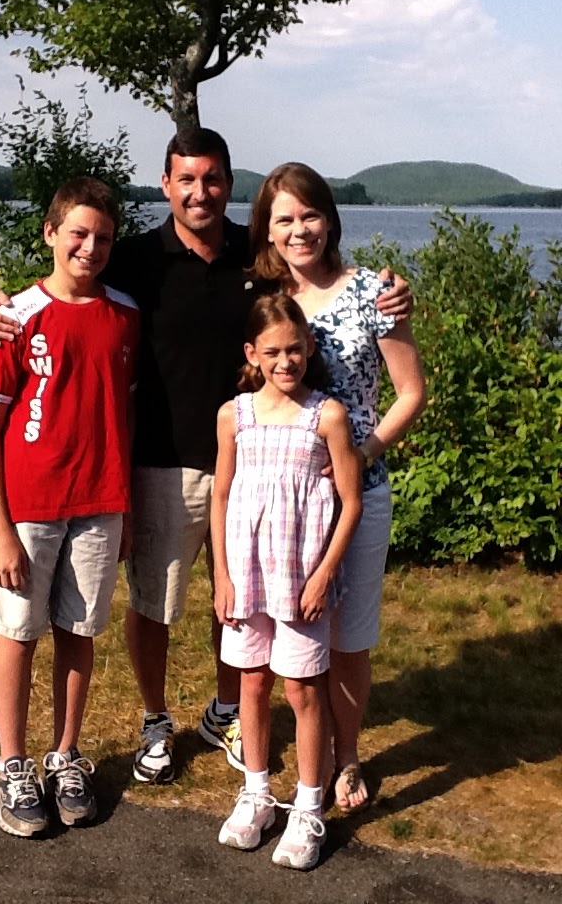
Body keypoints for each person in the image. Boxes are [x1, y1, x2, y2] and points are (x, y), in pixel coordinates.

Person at [0, 129, 412, 785]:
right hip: (163, 462)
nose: (199, 192)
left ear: (229, 185)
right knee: (155, 603)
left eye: (211, 179)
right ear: (166, 185)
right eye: (186, 179)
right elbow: (67, 288)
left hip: (258, 467)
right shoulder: (133, 258)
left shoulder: (257, 256)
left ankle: (227, 711)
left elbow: (318, 284)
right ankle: (155, 719)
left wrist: (391, 292)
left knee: (239, 599)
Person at [249, 163, 427, 813]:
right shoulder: (260, 297)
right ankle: (297, 749)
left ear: (330, 219)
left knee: (349, 639)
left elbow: (411, 393)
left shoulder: (374, 292)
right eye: (285, 219)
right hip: (281, 497)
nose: (299, 230)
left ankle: (345, 755)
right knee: (287, 631)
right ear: (267, 229)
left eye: (310, 215)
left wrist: (362, 452)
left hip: (359, 494)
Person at [0, 177, 140, 837]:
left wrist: (125, 510)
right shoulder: (15, 315)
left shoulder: (125, 314)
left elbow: (124, 414)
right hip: (30, 509)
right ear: (50, 233)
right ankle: (11, 765)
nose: (90, 248)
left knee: (78, 631)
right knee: (17, 632)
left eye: (103, 238)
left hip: (100, 503)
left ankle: (65, 755)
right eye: (78, 233)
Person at [211, 294, 362, 870]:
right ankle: (256, 792)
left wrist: (324, 574)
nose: (285, 361)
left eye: (294, 350)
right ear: (252, 353)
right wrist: (222, 574)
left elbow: (350, 503)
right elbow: (221, 495)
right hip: (247, 576)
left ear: (309, 347)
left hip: (300, 579)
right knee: (251, 683)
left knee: (301, 690)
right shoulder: (235, 415)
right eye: (272, 352)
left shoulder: (327, 416)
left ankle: (308, 805)